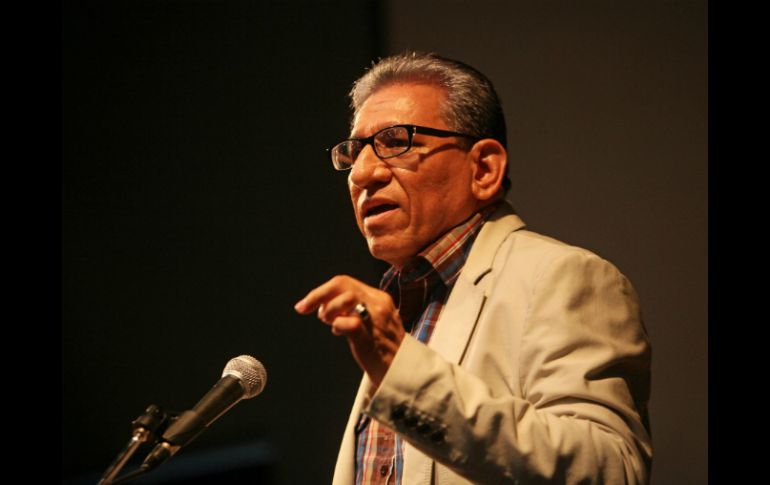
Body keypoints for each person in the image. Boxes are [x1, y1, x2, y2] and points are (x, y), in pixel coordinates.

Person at [294, 52, 651, 485]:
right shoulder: (404, 305)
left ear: (483, 168)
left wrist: (404, 374)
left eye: (396, 141)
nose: (363, 173)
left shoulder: (564, 277)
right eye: (354, 151)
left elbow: (610, 468)